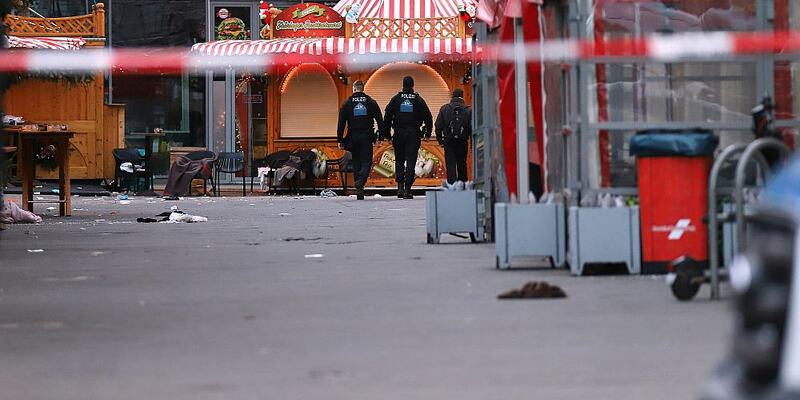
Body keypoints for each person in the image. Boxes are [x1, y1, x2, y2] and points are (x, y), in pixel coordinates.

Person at [384, 76, 433, 199]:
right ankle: (407, 189)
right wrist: (427, 134)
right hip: (413, 133)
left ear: (403, 85)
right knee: (411, 160)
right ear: (413, 85)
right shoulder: (418, 99)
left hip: (399, 133)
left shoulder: (396, 99)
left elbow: (387, 117)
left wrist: (387, 135)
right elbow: (428, 117)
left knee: (399, 160)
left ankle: (399, 187)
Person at [337, 79, 384, 200]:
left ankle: (359, 190)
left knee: (357, 162)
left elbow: (341, 123)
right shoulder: (371, 102)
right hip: (367, 136)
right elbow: (380, 120)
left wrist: (340, 140)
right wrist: (381, 137)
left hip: (353, 137)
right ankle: (361, 182)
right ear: (363, 88)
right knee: (367, 162)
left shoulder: (347, 103)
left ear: (354, 89)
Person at [435, 88, 472, 184]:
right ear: (462, 97)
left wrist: (440, 141)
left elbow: (438, 126)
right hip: (462, 141)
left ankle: (452, 186)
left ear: (452, 96)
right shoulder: (468, 110)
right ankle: (463, 186)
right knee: (462, 163)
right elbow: (472, 128)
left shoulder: (444, 108)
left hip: (448, 141)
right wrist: (472, 144)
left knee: (450, 164)